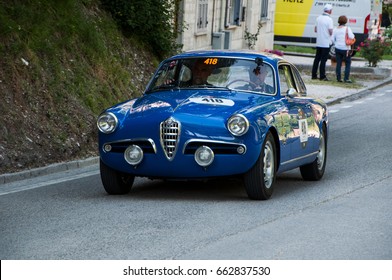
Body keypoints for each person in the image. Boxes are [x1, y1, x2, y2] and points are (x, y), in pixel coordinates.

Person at [311, 4, 334, 81]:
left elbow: (315, 30)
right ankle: (322, 76)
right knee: (323, 60)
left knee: (317, 58)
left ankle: (314, 75)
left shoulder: (318, 18)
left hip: (319, 42)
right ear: (330, 11)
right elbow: (331, 31)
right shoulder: (329, 19)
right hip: (326, 42)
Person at [332, 15, 355, 83]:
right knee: (347, 63)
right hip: (346, 48)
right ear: (345, 21)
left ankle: (338, 78)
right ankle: (346, 78)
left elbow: (332, 39)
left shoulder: (335, 29)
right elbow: (351, 36)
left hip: (337, 48)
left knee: (338, 63)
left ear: (339, 21)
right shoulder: (347, 28)